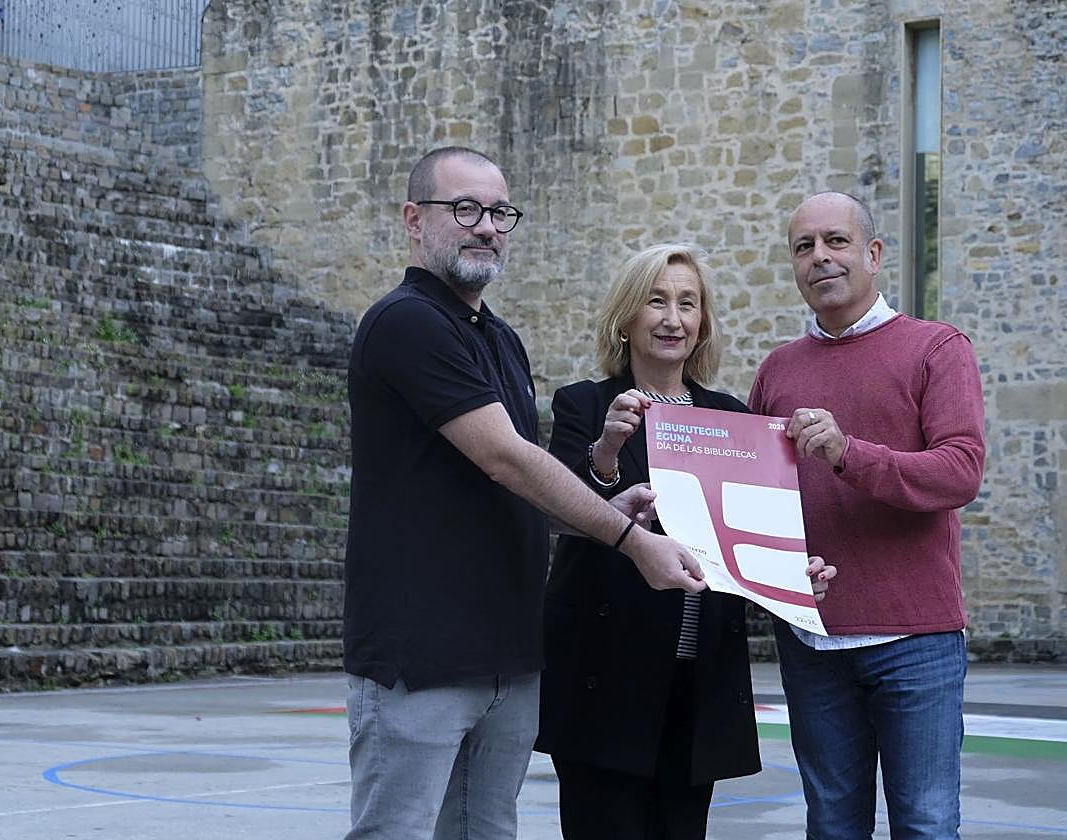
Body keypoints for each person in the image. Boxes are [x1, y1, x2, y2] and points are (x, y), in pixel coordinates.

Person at [342, 147, 710, 840]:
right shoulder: (405, 322)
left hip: (508, 654)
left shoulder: (501, 339)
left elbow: (521, 481)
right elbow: (506, 459)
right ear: (414, 220)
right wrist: (629, 538)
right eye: (465, 209)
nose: (486, 226)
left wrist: (601, 512)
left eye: (499, 213)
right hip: (420, 656)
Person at [534, 243, 834, 839]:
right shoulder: (584, 404)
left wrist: (793, 576)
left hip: (698, 681)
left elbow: (748, 534)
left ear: (702, 323)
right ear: (626, 318)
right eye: (657, 301)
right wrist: (607, 450)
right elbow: (561, 507)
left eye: (688, 304)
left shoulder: (730, 416)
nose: (673, 319)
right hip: (607, 679)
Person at [748, 191, 986, 839]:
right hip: (811, 642)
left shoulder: (937, 348)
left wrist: (850, 453)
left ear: (874, 254)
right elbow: (756, 499)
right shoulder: (776, 370)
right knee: (830, 827)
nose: (819, 257)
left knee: (927, 825)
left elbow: (961, 471)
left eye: (836, 241)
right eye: (804, 247)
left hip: (918, 643)